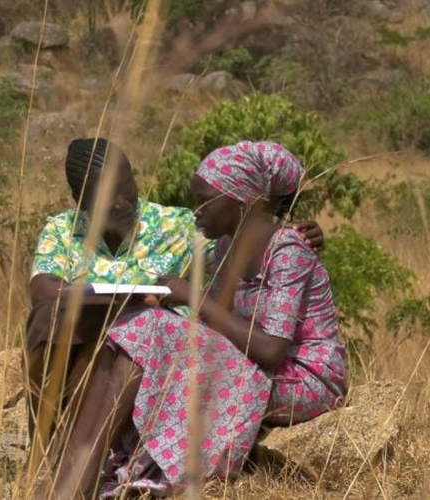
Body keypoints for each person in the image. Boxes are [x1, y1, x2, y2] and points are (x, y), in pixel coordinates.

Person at [49, 140, 348, 498]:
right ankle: (75, 476)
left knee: (153, 331)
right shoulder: (224, 247)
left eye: (205, 200)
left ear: (242, 202)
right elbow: (222, 326)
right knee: (142, 327)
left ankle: (79, 484)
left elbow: (271, 349)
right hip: (257, 364)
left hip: (303, 377)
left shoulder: (285, 251)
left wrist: (192, 298)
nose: (196, 211)